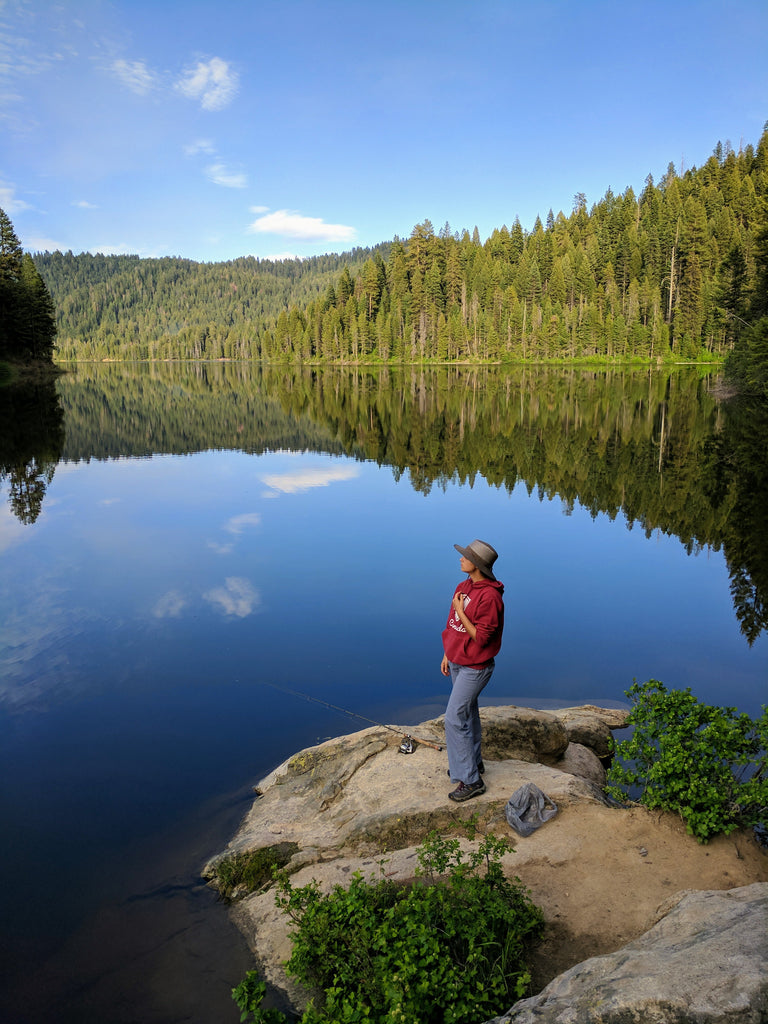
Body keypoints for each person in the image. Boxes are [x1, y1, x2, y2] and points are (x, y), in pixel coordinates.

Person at [441, 539, 504, 802]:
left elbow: (482, 637)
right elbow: (454, 623)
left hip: (475, 667)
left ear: (476, 564)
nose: (460, 559)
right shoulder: (463, 586)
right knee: (468, 715)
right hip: (458, 661)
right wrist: (447, 653)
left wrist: (460, 610)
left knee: (453, 718)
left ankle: (471, 780)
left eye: (465, 556)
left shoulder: (489, 597)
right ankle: (473, 764)